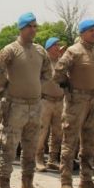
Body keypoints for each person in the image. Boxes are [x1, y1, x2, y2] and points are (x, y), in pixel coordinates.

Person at [0, 13, 51, 188]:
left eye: (35, 26)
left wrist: (35, 86)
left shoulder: (40, 51)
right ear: (22, 28)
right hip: (15, 104)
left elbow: (47, 73)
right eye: (30, 26)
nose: (33, 29)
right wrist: (8, 86)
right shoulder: (10, 50)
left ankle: (28, 185)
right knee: (8, 146)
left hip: (35, 105)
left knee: (31, 147)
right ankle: (4, 187)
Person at [54, 19, 94, 188]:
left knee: (90, 141)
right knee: (70, 141)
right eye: (91, 30)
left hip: (93, 99)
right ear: (82, 33)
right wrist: (69, 87)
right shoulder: (73, 51)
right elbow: (59, 72)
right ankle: (66, 181)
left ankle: (86, 180)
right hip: (76, 100)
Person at [36, 37, 64, 172]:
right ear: (48, 48)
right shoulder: (43, 62)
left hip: (59, 101)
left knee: (58, 132)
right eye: (55, 45)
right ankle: (39, 159)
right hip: (45, 101)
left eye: (58, 45)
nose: (58, 47)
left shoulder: (61, 63)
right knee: (42, 131)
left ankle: (53, 159)